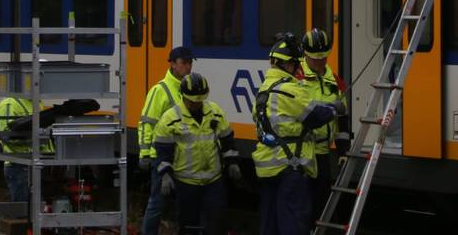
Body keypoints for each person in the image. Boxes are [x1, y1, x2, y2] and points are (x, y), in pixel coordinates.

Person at [253, 33, 342, 235]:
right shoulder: (290, 89)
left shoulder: (264, 89)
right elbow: (314, 116)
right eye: (294, 64)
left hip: (268, 166)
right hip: (289, 166)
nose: (297, 68)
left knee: (270, 223)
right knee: (294, 222)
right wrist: (335, 108)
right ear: (287, 64)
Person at [153, 73, 241, 234]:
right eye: (193, 101)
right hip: (186, 183)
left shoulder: (215, 112)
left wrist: (232, 162)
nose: (197, 104)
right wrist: (165, 174)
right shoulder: (170, 119)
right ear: (184, 97)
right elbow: (163, 152)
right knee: (188, 226)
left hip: (213, 180)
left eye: (200, 100)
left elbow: (227, 139)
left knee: (216, 224)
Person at [138, 46, 195, 235]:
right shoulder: (160, 90)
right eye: (184, 63)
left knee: (184, 205)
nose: (188, 67)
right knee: (157, 203)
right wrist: (145, 153)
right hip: (161, 158)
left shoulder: (188, 89)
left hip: (183, 157)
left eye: (190, 63)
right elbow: (147, 123)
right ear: (172, 64)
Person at [300, 28, 347, 224]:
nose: (320, 62)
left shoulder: (334, 80)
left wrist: (343, 150)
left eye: (323, 57)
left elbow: (343, 115)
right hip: (301, 152)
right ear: (305, 55)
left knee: (321, 201)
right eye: (315, 58)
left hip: (323, 152)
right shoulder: (297, 78)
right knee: (303, 204)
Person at [0, 94, 54, 203]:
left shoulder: (36, 102)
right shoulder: (9, 104)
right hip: (19, 165)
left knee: (37, 209)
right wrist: (39, 137)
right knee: (25, 210)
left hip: (38, 163)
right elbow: (7, 137)